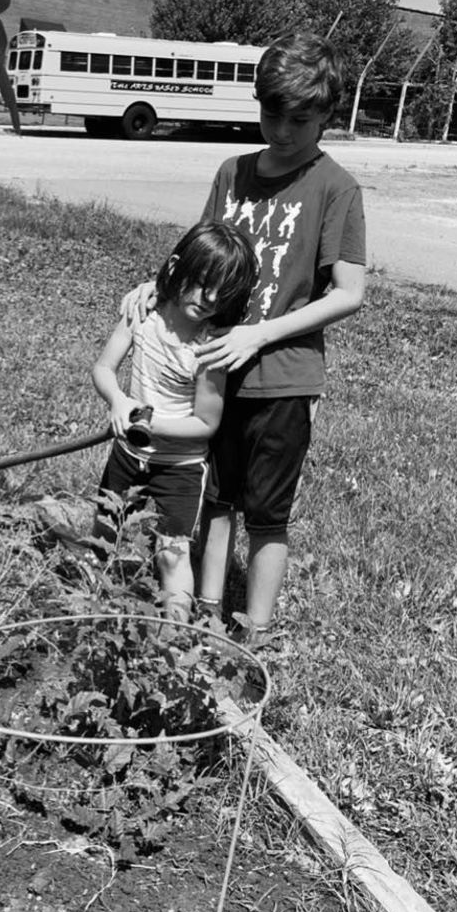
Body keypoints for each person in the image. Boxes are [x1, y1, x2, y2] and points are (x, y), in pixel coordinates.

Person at [124, 31, 367, 642]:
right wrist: (157, 284)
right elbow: (200, 254)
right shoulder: (231, 172)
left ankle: (257, 635)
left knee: (267, 514)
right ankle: (206, 620)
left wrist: (259, 335)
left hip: (282, 381)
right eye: (270, 113)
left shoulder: (336, 188)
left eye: (300, 119)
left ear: (327, 116)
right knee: (216, 499)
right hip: (213, 373)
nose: (282, 130)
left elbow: (348, 292)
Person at [92, 221, 258, 622]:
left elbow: (205, 424)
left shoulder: (208, 349)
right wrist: (117, 400)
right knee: (102, 535)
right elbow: (103, 368)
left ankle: (175, 638)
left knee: (172, 552)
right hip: (128, 454)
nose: (209, 298)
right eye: (202, 283)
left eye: (222, 292)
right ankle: (87, 609)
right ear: (178, 268)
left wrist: (148, 421)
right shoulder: (142, 315)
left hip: (179, 468)